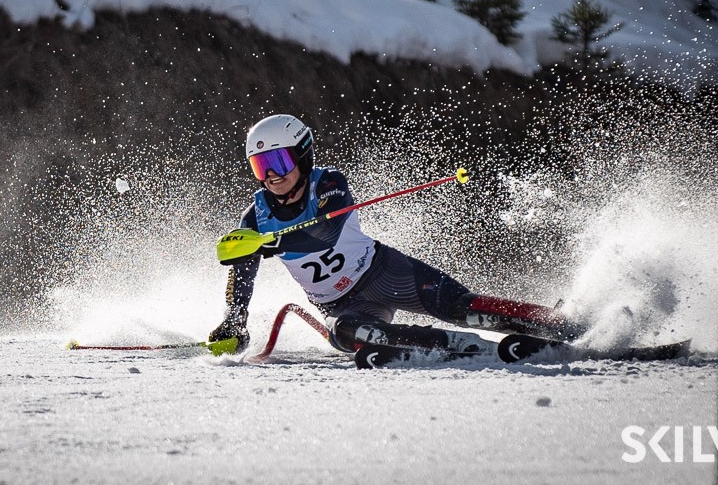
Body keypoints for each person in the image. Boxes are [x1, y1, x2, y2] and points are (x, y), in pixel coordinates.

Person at [208, 114, 584, 355]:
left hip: (386, 273)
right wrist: (234, 320)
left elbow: (326, 233)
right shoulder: (255, 217)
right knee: (346, 334)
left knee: (461, 308)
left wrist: (272, 243)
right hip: (342, 307)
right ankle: (456, 347)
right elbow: (242, 273)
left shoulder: (329, 184)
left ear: (303, 157)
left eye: (279, 162)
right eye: (260, 166)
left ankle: (557, 322)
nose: (271, 175)